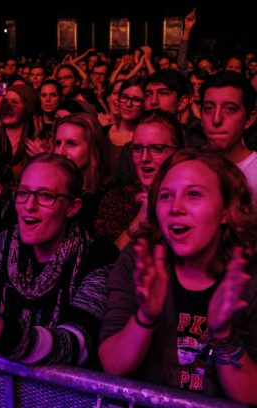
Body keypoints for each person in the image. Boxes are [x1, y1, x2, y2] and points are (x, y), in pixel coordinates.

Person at [99, 149, 257, 403]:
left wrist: (225, 337)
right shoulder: (141, 261)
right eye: (165, 196)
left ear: (226, 210)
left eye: (193, 194)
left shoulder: (248, 276)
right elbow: (113, 365)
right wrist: (145, 317)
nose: (175, 208)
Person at [0, 153, 111, 366]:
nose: (29, 205)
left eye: (45, 196)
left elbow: (76, 345)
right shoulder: (3, 244)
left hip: (65, 397)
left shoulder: (99, 257)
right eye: (23, 193)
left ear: (73, 207)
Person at [95, 110, 184, 249]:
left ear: (177, 153)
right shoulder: (116, 200)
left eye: (156, 148)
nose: (144, 158)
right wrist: (140, 219)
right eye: (137, 148)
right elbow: (104, 266)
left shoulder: (189, 202)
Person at [199, 71, 257, 204]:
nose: (216, 119)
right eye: (209, 108)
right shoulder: (188, 167)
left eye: (230, 109)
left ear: (249, 119)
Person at [54, 112, 112, 235]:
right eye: (58, 143)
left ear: (92, 147)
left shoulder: (106, 200)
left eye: (71, 143)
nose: (60, 152)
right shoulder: (49, 192)